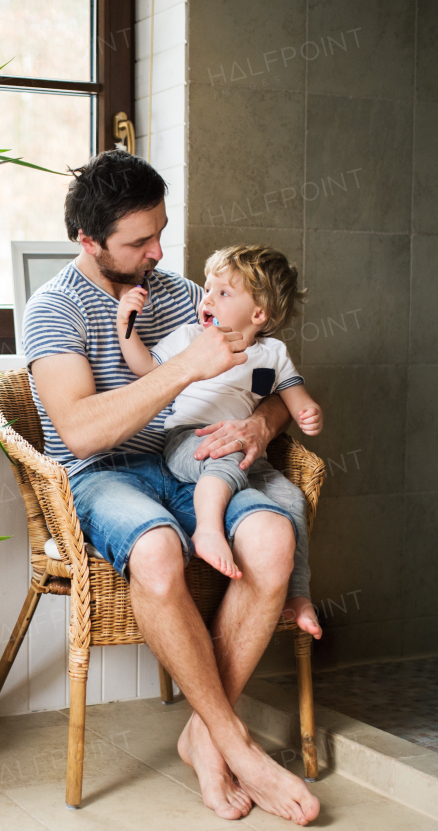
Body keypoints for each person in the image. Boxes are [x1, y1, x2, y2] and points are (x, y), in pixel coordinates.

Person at [22, 149, 320, 825]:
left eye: (161, 231)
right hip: (101, 475)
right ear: (89, 242)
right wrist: (185, 366)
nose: (158, 250)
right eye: (138, 241)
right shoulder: (55, 309)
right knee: (156, 552)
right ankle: (234, 743)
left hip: (187, 460)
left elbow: (270, 378)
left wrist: (261, 425)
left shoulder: (188, 294)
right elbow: (81, 432)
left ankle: (201, 733)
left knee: (273, 537)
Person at [115, 245, 323, 636]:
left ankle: (297, 594)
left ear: (258, 314)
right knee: (223, 459)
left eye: (223, 293)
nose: (206, 298)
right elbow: (146, 370)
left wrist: (309, 411)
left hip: (245, 451)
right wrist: (125, 326)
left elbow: (295, 397)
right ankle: (207, 530)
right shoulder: (192, 337)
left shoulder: (273, 353)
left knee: (291, 498)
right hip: (187, 441)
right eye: (207, 289)